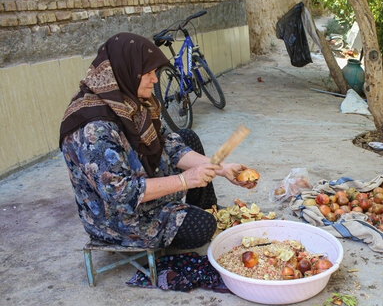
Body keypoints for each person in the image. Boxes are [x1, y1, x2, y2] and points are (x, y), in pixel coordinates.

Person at [59, 33, 256, 250]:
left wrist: (221, 168)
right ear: (128, 72)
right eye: (149, 74)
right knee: (203, 226)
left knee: (186, 136)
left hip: (143, 184)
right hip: (118, 218)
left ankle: (204, 208)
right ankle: (191, 217)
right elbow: (121, 193)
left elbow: (167, 145)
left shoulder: (133, 102)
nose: (155, 79)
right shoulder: (93, 128)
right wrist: (184, 180)